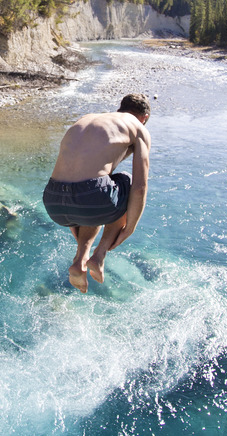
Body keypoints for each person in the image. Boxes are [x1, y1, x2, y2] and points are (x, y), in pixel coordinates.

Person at [43, 93, 151, 293]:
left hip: (53, 201)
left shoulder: (88, 119)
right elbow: (140, 187)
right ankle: (99, 255)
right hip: (91, 198)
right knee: (123, 181)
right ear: (144, 118)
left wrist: (75, 218)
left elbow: (75, 174)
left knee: (99, 189)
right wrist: (130, 228)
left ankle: (80, 259)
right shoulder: (137, 127)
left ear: (120, 109)